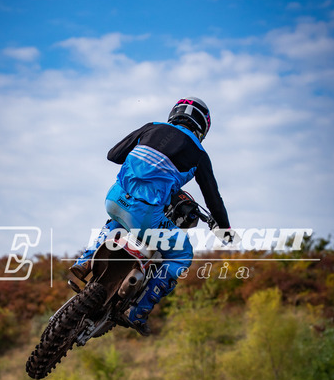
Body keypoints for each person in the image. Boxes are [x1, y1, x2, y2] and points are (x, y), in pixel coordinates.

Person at [70, 96, 230, 335]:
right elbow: (213, 199)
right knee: (182, 254)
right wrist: (224, 230)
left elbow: (113, 155)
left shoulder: (152, 127)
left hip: (114, 199)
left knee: (117, 222)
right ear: (203, 127)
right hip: (145, 213)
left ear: (174, 114)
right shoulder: (198, 154)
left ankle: (84, 261)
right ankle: (138, 311)